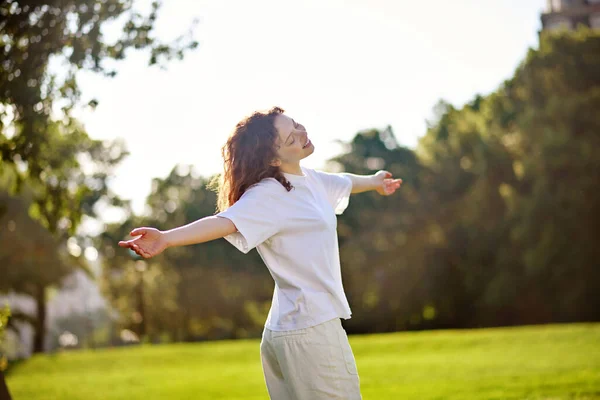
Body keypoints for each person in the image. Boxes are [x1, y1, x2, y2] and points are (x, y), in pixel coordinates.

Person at [118, 106, 402, 399]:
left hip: (291, 328)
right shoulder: (269, 194)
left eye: (297, 125)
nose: (302, 134)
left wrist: (375, 181)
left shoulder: (312, 180)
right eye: (291, 138)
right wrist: (166, 238)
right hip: (310, 331)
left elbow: (344, 181)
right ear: (273, 158)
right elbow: (224, 222)